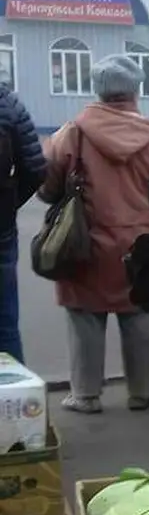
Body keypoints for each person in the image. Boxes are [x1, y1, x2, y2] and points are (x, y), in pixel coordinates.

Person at [40, 55, 149, 414]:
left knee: (85, 317)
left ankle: (86, 395)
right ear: (135, 90)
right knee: (138, 316)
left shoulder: (73, 133)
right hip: (142, 244)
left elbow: (46, 185)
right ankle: (140, 392)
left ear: (98, 90)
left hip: (86, 242)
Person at [0, 86, 47, 364]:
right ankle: (10, 401)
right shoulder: (7, 103)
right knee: (4, 322)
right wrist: (10, 203)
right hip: (0, 226)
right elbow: (36, 168)